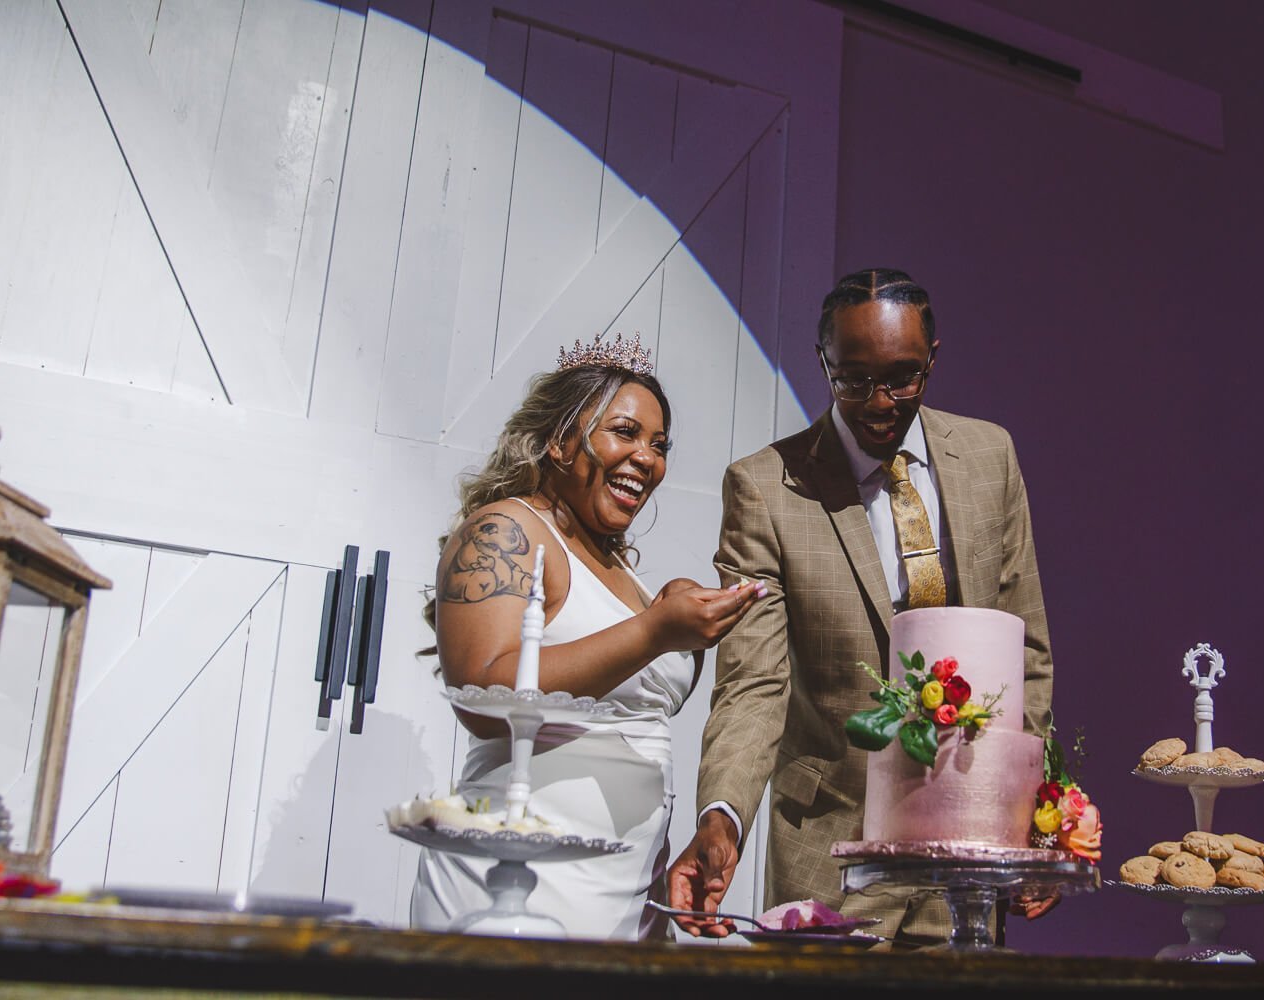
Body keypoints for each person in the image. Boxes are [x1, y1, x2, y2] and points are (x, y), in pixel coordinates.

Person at [665, 269, 1057, 947]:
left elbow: (1026, 651)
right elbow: (753, 682)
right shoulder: (765, 489)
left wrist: (1035, 812)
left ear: (933, 358)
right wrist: (723, 815)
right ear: (824, 364)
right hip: (830, 852)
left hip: (966, 861)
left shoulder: (990, 458)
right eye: (853, 380)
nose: (880, 401)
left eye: (904, 377)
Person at [411, 333, 764, 941]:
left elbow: (634, 723)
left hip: (628, 893)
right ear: (560, 439)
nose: (647, 459)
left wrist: (680, 629)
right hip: (516, 884)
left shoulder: (620, 570)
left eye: (659, 445)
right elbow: (484, 696)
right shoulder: (506, 531)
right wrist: (655, 630)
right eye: (625, 433)